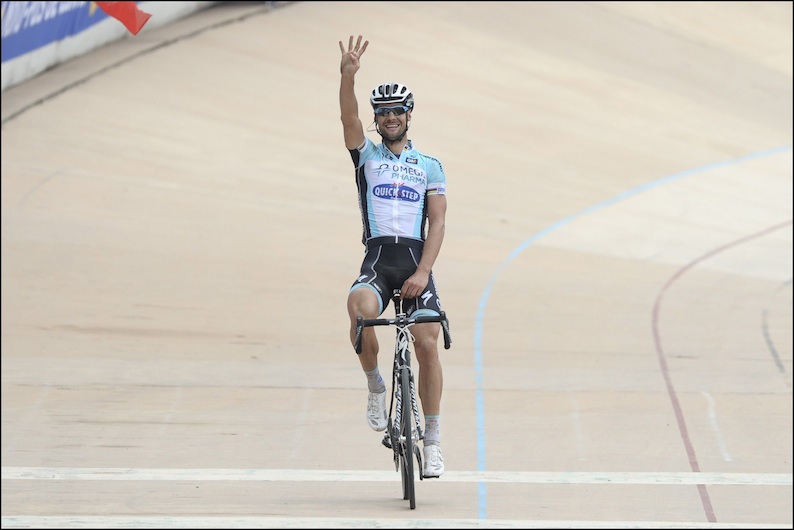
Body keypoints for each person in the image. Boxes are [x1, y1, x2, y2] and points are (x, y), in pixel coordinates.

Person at [338, 35, 448, 478]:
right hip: (379, 260)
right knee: (359, 310)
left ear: (408, 116)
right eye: (382, 114)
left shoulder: (430, 165)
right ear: (377, 120)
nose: (389, 119)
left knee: (427, 343)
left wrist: (423, 272)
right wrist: (347, 77)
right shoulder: (366, 157)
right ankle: (374, 384)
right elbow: (347, 117)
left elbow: (437, 225)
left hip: (416, 263)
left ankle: (434, 439)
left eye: (396, 113)